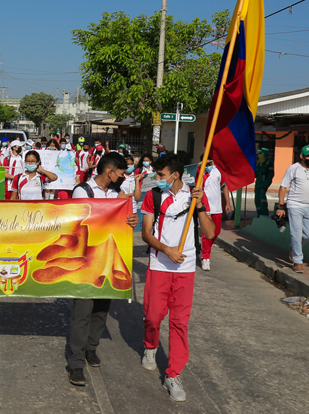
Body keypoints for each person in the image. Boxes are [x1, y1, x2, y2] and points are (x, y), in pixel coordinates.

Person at [140, 153, 215, 402]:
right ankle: (150, 346)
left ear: (174, 175)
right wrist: (166, 250)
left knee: (180, 322)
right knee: (152, 316)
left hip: (185, 270)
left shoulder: (194, 196)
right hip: (159, 264)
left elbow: (210, 232)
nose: (156, 179)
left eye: (160, 175)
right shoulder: (154, 195)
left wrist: (201, 206)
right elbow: (146, 234)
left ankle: (174, 374)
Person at [67, 152, 139, 387]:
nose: (122, 177)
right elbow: (79, 222)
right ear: (110, 172)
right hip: (85, 263)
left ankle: (91, 349)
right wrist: (114, 206)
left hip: (108, 261)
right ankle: (76, 363)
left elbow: (130, 220)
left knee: (101, 311)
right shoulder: (83, 191)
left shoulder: (120, 195)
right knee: (82, 313)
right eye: (120, 173)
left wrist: (131, 220)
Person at [276, 145, 309, 273]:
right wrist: (281, 206)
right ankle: (298, 261)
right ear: (302, 156)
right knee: (296, 234)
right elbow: (283, 187)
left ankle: (293, 247)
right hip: (294, 205)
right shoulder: (293, 168)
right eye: (308, 156)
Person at [197, 154, 231, 272]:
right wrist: (201, 170)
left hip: (217, 208)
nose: (207, 165)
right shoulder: (200, 173)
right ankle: (205, 258)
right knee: (206, 233)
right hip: (205, 209)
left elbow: (225, 187)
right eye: (204, 163)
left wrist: (227, 203)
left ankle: (204, 250)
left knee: (215, 233)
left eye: (209, 163)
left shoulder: (218, 172)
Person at [254, 148, 274, 216]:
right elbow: (256, 174)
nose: (259, 155)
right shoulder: (258, 163)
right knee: (257, 199)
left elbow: (271, 175)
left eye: (261, 154)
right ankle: (259, 214)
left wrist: (267, 184)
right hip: (257, 184)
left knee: (262, 197)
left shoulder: (269, 162)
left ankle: (264, 213)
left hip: (264, 184)